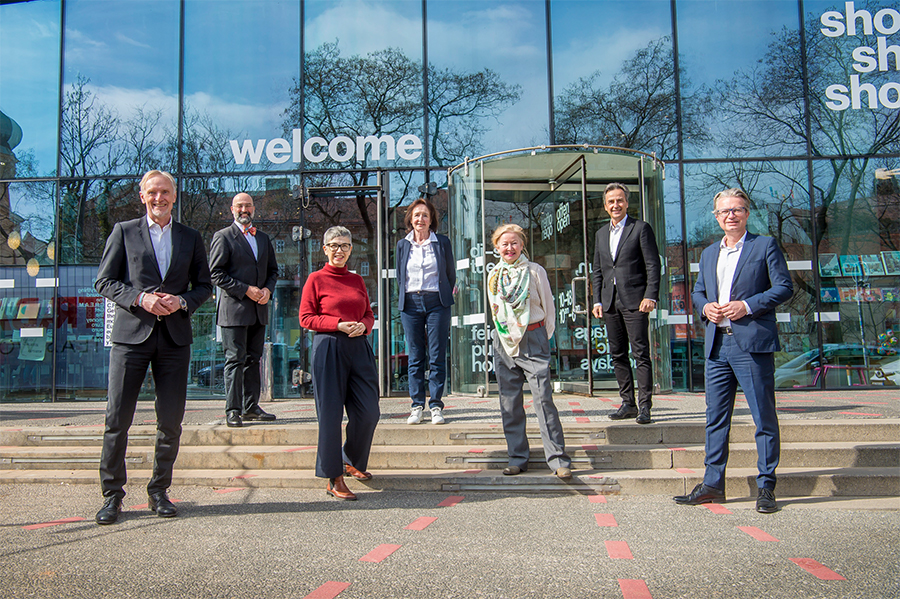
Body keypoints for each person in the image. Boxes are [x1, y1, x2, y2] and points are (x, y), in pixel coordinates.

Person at [93, 170, 212, 524]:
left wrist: (182, 302)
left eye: (165, 192)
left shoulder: (190, 237)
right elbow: (103, 281)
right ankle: (112, 495)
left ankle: (159, 491)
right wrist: (140, 299)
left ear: (174, 196)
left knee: (171, 421)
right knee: (117, 419)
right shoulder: (124, 232)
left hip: (174, 339)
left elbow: (204, 285)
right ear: (142, 196)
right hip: (131, 337)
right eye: (152, 192)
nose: (159, 198)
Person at [675, 188, 793, 513]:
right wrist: (705, 308)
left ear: (746, 213)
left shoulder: (764, 245)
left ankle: (766, 486)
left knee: (763, 418)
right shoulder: (709, 253)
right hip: (717, 345)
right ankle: (713, 484)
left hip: (752, 345)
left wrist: (747, 305)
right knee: (715, 419)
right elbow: (698, 292)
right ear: (716, 217)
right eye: (725, 211)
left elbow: (784, 287)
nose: (731, 215)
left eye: (737, 209)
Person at [299, 226, 379, 501]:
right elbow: (306, 318)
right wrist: (338, 324)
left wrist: (365, 326)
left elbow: (368, 313)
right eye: (334, 245)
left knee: (369, 412)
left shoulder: (357, 281)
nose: (339, 250)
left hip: (359, 347)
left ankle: (351, 458)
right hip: (329, 347)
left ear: (351, 250)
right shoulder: (315, 279)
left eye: (345, 245)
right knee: (330, 416)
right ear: (324, 249)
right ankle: (334, 477)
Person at [487, 224, 572, 479]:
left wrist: (540, 337)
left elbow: (549, 308)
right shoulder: (493, 276)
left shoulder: (535, 272)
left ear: (522, 245)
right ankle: (517, 457)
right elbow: (496, 310)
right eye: (504, 244)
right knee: (509, 403)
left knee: (543, 400)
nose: (509, 248)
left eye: (514, 243)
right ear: (497, 248)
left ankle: (557, 460)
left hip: (533, 337)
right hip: (504, 341)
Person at [591, 182, 661, 424]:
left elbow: (653, 264)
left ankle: (645, 406)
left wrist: (650, 295)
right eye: (611, 201)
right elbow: (598, 270)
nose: (615, 205)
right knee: (617, 354)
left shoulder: (640, 228)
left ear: (627, 203)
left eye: (619, 200)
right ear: (605, 205)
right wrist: (597, 300)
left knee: (641, 353)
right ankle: (627, 403)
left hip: (635, 301)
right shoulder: (601, 234)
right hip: (610, 303)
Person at [209, 193, 279, 428]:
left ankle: (251, 407)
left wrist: (268, 290)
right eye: (240, 205)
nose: (244, 209)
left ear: (254, 209)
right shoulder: (223, 237)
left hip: (259, 310)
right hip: (234, 310)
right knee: (234, 360)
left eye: (248, 205)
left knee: (253, 360)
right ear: (232, 209)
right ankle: (233, 410)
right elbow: (216, 274)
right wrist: (246, 290)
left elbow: (273, 271)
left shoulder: (263, 238)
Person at [396, 198, 456, 425]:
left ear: (432, 221)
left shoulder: (442, 242)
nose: (420, 219)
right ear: (411, 219)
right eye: (417, 215)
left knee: (437, 354)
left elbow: (450, 274)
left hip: (436, 303)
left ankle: (436, 405)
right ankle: (416, 405)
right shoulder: (403, 245)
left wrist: (443, 295)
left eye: (425, 215)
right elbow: (401, 276)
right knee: (415, 356)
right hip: (411, 303)